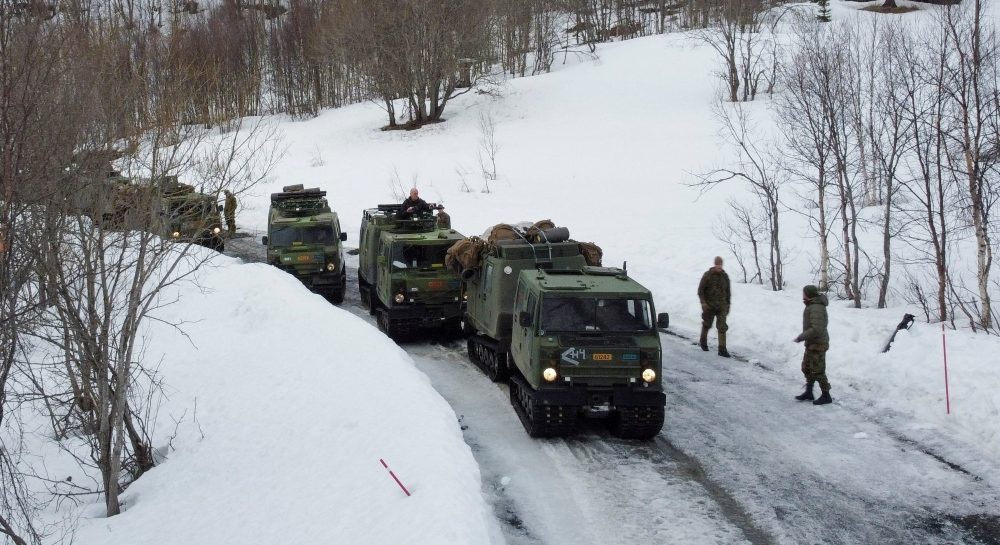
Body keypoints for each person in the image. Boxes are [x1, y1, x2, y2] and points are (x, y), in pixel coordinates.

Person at [794, 284, 832, 405]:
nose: (802, 295)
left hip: (818, 344)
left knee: (818, 370)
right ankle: (809, 392)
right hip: (812, 343)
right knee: (807, 367)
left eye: (804, 293)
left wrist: (801, 337)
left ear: (808, 294)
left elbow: (817, 329)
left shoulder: (816, 308)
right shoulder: (811, 305)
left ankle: (826, 395)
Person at [698, 256, 731, 357]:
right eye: (717, 265)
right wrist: (704, 303)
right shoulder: (707, 275)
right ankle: (703, 341)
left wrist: (728, 304)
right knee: (707, 324)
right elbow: (700, 291)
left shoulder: (725, 277)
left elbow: (728, 292)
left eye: (720, 265)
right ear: (714, 264)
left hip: (722, 307)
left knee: (722, 327)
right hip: (709, 306)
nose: (719, 267)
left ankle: (722, 349)